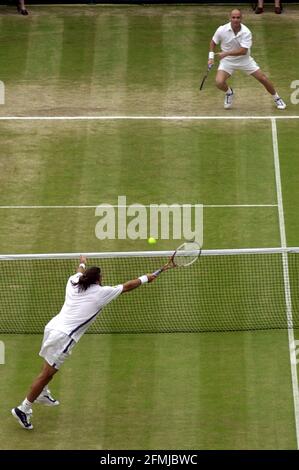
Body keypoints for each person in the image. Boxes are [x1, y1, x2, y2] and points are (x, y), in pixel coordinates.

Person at [11, 255, 161, 430]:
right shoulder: (101, 293)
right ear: (98, 279)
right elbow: (127, 286)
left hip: (52, 328)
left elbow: (79, 271)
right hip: (63, 338)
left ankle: (41, 392)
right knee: (46, 374)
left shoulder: (73, 281)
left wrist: (82, 261)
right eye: (102, 277)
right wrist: (146, 278)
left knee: (48, 370)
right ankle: (23, 408)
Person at [208, 9, 286, 110]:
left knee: (263, 78)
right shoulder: (221, 29)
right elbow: (213, 42)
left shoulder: (246, 32)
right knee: (219, 82)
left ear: (241, 18)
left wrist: (226, 53)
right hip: (228, 61)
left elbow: (243, 51)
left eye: (238, 17)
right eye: (233, 17)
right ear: (230, 18)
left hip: (244, 60)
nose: (235, 20)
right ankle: (229, 93)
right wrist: (210, 57)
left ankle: (277, 98)